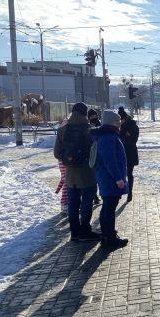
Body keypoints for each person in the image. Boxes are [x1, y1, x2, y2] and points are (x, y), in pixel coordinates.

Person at [53, 102, 100, 241]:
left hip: (70, 175)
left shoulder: (63, 130)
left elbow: (57, 153)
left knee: (73, 202)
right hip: (88, 174)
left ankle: (74, 232)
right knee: (87, 202)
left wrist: (69, 159)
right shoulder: (90, 130)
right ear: (85, 114)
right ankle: (85, 230)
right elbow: (96, 153)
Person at [91, 110, 129, 248]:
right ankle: (109, 238)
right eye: (117, 121)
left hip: (106, 177)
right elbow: (110, 160)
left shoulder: (107, 134)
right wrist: (118, 178)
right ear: (111, 122)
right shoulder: (108, 136)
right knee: (109, 208)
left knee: (107, 206)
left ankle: (108, 234)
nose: (120, 123)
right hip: (110, 179)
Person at [119, 108, 139, 202]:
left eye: (121, 119)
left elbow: (132, 140)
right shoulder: (119, 127)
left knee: (129, 173)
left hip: (130, 154)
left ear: (125, 118)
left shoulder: (132, 126)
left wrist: (125, 134)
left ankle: (130, 193)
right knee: (119, 174)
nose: (119, 122)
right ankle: (119, 192)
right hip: (120, 154)